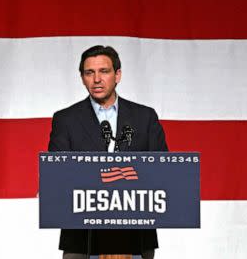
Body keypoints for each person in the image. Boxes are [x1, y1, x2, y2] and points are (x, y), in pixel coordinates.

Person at [48, 45, 168, 259]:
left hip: (136, 238)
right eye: (89, 72)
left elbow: (163, 173)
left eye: (104, 71)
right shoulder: (65, 119)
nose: (96, 79)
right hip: (81, 240)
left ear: (117, 75)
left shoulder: (144, 117)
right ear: (82, 78)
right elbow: (58, 175)